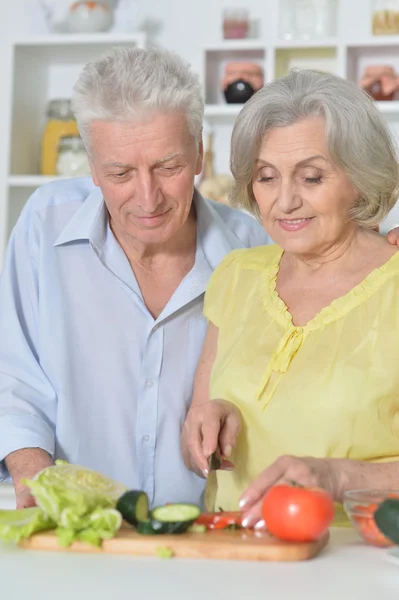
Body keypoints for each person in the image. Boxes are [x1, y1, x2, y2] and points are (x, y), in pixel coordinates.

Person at [0, 46, 271, 510]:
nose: (148, 198)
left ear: (201, 151)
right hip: (71, 533)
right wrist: (37, 482)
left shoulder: (255, 249)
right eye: (120, 172)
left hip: (208, 537)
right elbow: (14, 378)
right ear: (91, 166)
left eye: (168, 167)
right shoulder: (43, 224)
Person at [181, 68, 399, 527]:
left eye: (312, 177)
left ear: (360, 178)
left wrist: (337, 476)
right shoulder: (236, 276)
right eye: (266, 177)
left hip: (359, 565)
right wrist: (210, 425)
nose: (284, 202)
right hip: (234, 555)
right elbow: (194, 452)